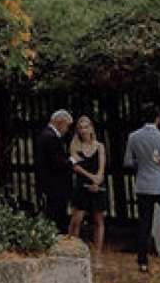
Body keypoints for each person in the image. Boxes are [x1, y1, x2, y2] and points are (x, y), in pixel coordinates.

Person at [122, 103, 160, 273]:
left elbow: (128, 161)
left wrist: (141, 165)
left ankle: (142, 260)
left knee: (144, 222)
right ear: (158, 118)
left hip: (143, 182)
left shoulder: (133, 137)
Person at [65, 114, 108, 257]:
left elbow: (102, 166)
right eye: (81, 128)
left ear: (91, 129)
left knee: (98, 220)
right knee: (76, 220)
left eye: (86, 127)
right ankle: (73, 251)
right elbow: (75, 167)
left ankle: (97, 253)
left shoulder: (100, 146)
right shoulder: (74, 146)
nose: (84, 130)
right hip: (81, 184)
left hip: (98, 185)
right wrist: (90, 177)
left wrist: (97, 180)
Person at [34, 109, 74, 232]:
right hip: (55, 185)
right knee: (57, 215)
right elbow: (58, 162)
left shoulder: (44, 134)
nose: (67, 129)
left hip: (48, 183)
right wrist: (72, 160)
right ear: (60, 123)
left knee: (52, 214)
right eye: (67, 126)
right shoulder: (51, 137)